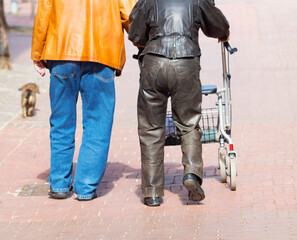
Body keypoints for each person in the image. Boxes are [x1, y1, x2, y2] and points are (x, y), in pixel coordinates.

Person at [128, 0, 230, 206]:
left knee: (151, 129)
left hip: (154, 62)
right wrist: (224, 34)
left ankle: (152, 193)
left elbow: (135, 34)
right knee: (189, 124)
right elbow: (219, 25)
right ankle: (192, 173)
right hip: (186, 62)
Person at [31, 0, 136, 201]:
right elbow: (130, 13)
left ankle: (60, 184)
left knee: (61, 120)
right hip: (101, 54)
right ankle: (86, 186)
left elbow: (44, 12)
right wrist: (144, 41)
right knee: (98, 122)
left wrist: (37, 53)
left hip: (62, 51)